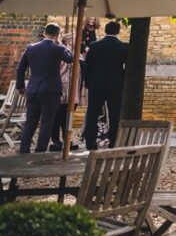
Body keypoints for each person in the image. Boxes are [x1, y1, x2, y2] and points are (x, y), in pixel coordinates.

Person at [15, 23, 73, 154]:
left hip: (33, 89)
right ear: (57, 35)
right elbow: (70, 59)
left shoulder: (30, 48)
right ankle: (40, 151)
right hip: (51, 91)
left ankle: (24, 150)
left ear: (44, 33)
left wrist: (20, 87)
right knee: (47, 122)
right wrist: (63, 45)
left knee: (30, 122)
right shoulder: (58, 48)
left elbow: (20, 69)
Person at [82, 21, 128, 149]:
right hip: (116, 85)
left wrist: (88, 83)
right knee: (115, 114)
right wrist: (122, 79)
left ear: (106, 31)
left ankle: (90, 142)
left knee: (93, 112)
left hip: (97, 84)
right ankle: (113, 141)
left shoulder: (94, 46)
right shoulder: (124, 47)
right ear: (118, 31)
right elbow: (127, 68)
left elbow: (87, 66)